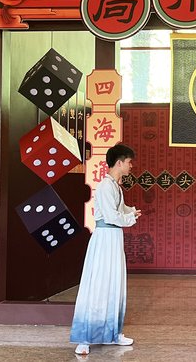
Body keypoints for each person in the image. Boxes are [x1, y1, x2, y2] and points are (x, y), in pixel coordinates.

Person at [70, 144, 142, 356]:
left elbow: (120, 209)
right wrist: (129, 218)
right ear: (119, 162)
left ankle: (114, 333)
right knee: (98, 285)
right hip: (104, 239)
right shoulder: (104, 186)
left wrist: (131, 212)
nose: (130, 166)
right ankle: (84, 338)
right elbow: (111, 216)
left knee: (114, 284)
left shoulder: (116, 187)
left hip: (114, 238)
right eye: (129, 162)